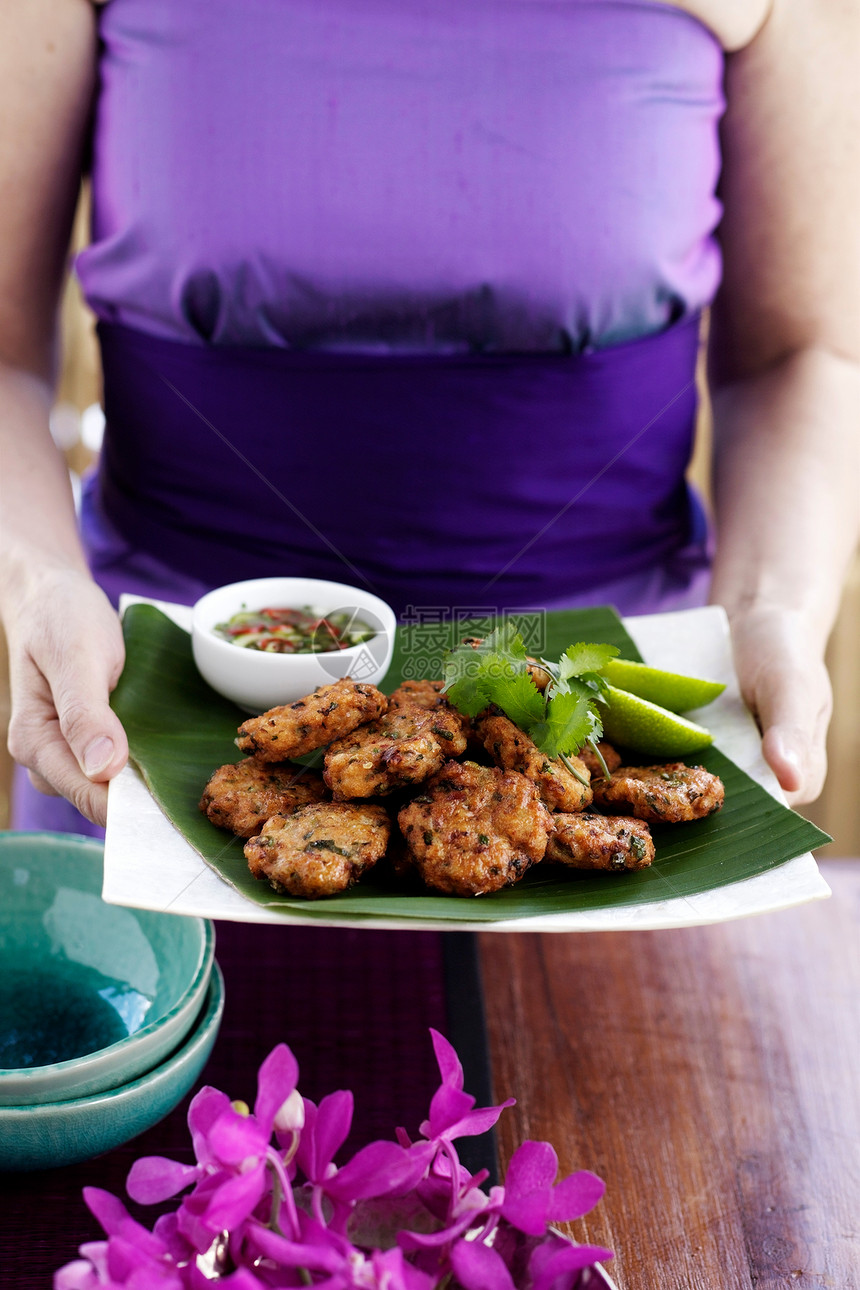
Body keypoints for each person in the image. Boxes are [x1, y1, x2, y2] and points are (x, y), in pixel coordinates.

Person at [1, 0, 857, 835]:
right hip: (151, 696)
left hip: (605, 705)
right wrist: (37, 580)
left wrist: (769, 607)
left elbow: (803, 355)